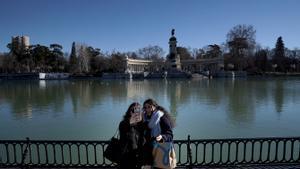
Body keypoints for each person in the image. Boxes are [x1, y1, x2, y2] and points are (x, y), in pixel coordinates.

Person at [142, 98, 175, 169]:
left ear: (154, 107)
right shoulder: (143, 118)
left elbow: (170, 134)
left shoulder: (161, 117)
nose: (147, 109)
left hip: (160, 149)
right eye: (145, 107)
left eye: (149, 107)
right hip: (147, 152)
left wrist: (162, 137)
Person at [118, 102, 145, 169]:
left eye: (138, 110)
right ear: (129, 112)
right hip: (126, 157)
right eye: (133, 110)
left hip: (139, 156)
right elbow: (123, 127)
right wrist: (130, 121)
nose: (135, 112)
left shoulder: (142, 124)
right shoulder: (124, 123)